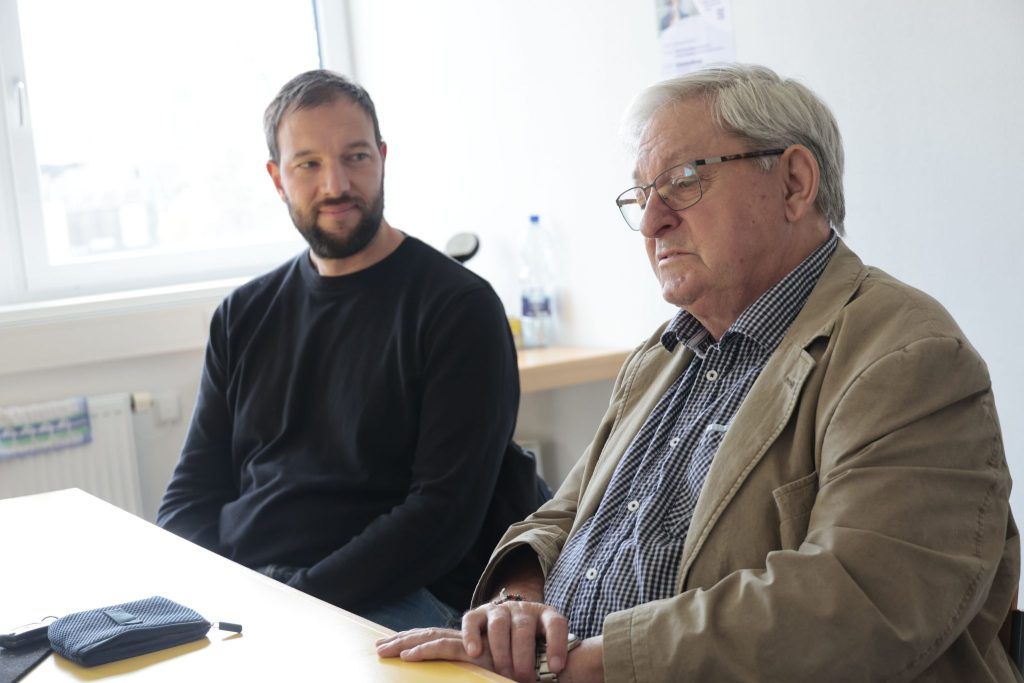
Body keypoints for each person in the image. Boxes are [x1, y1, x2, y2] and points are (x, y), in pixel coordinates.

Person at [376, 64, 1020, 682]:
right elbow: (563, 516)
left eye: (683, 181)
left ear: (795, 182)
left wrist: (583, 666)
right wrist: (518, 608)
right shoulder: (663, 353)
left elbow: (861, 604)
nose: (653, 221)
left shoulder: (908, 356)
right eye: (641, 195)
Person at [157, 70, 520, 632]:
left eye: (355, 157)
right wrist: (224, 592)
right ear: (278, 178)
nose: (336, 185)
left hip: (388, 596)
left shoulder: (457, 307)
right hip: (248, 590)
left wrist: (296, 604)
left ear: (381, 157)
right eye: (308, 164)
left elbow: (442, 516)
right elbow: (189, 497)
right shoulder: (242, 314)